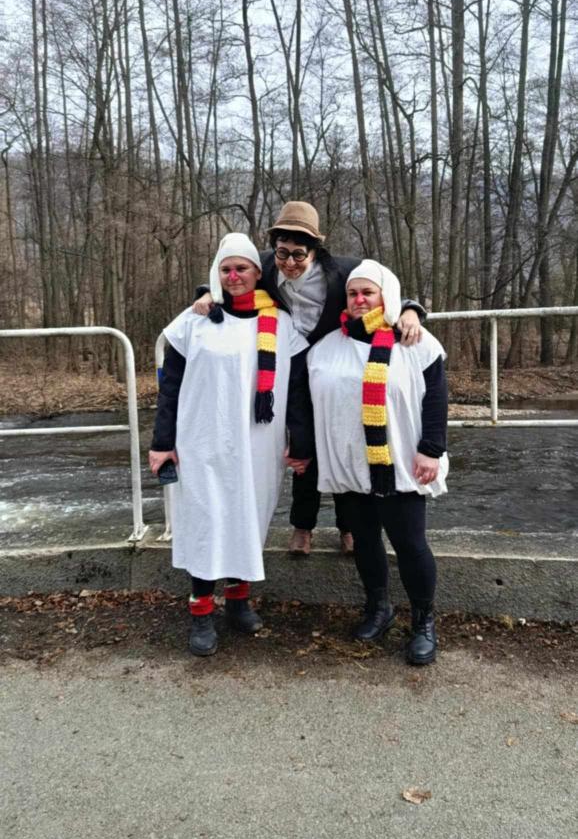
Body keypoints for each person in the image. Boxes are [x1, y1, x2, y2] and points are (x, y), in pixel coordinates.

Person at [193, 201, 426, 556]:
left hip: (337, 363)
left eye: (299, 255)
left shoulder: (344, 271)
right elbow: (230, 275)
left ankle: (348, 527)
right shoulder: (265, 265)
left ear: (315, 250)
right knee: (303, 446)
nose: (289, 263)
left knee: (344, 439)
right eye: (282, 252)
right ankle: (303, 526)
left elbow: (382, 287)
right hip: (292, 364)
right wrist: (207, 293)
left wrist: (410, 310)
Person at [149, 233, 313, 657]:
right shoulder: (195, 321)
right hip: (203, 441)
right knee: (207, 523)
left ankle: (238, 602)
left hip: (257, 444)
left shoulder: (281, 324)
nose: (233, 276)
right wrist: (162, 442)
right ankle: (202, 612)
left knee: (246, 520)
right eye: (225, 269)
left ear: (258, 273)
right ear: (215, 274)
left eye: (241, 268)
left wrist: (301, 443)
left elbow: (297, 391)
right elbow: (170, 388)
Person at [307, 259, 448, 665]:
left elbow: (436, 399)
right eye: (353, 293)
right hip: (351, 465)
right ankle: (379, 608)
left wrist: (431, 449)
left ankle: (423, 621)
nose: (359, 299)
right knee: (365, 541)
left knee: (410, 544)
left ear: (386, 296)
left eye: (368, 292)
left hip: (400, 463)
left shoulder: (415, 343)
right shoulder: (326, 347)